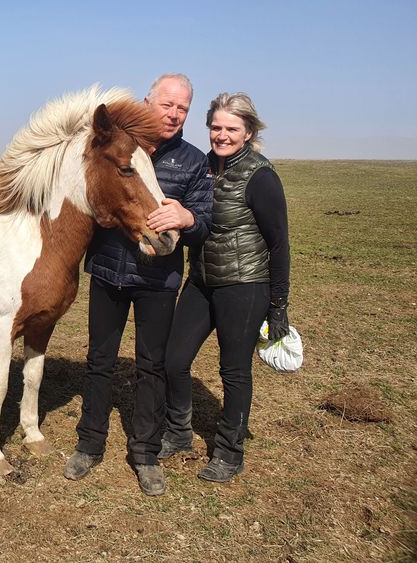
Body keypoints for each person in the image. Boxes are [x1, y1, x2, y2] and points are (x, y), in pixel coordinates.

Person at [64, 74, 213, 495]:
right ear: (147, 101)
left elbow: (205, 219)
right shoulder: (117, 146)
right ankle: (89, 443)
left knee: (152, 365)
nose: (173, 114)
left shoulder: (192, 161)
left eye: (182, 108)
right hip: (111, 271)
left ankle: (145, 453)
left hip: (159, 278)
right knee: (99, 359)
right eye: (166, 104)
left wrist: (189, 219)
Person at [158, 92, 291, 483]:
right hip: (201, 281)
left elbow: (279, 243)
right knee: (174, 360)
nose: (222, 135)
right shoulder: (202, 168)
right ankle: (180, 432)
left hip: (245, 286)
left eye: (231, 128)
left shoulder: (261, 175)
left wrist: (278, 305)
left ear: (248, 132)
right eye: (216, 127)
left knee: (233, 370)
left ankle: (230, 451)